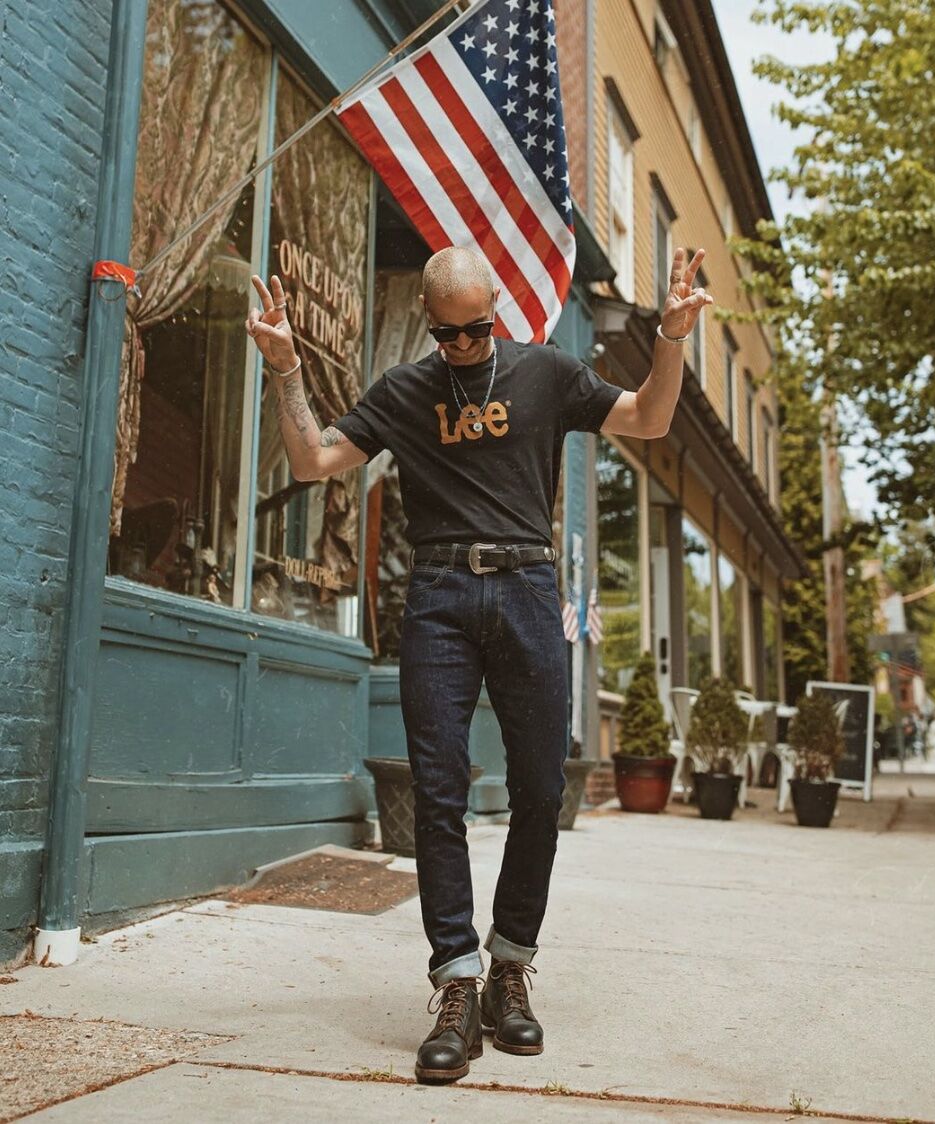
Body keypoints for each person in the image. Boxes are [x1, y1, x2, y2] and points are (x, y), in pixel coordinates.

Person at [246, 244, 712, 1084]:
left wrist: (672, 339)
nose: (464, 345)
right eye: (448, 334)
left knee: (540, 786)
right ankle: (457, 979)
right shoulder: (404, 391)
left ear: (497, 308)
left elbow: (647, 418)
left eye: (478, 329)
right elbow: (315, 460)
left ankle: (510, 968)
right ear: (430, 325)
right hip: (439, 595)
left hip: (529, 586)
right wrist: (285, 370)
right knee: (438, 790)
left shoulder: (546, 374)